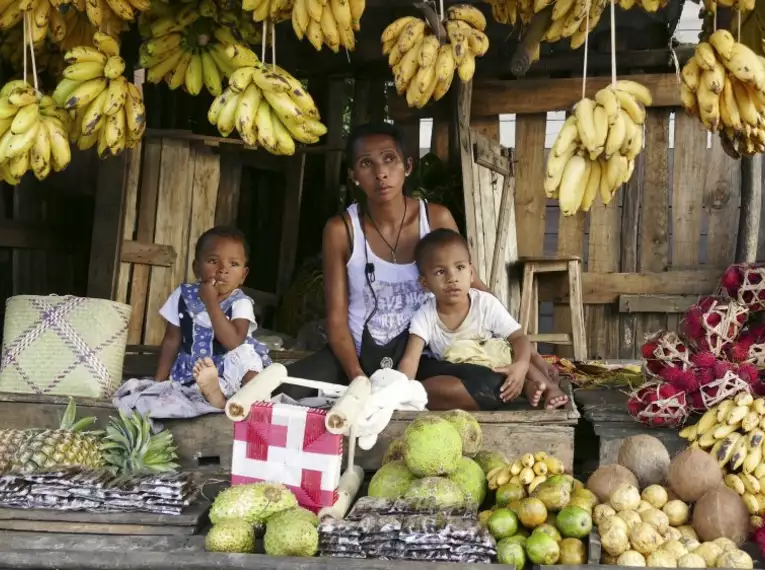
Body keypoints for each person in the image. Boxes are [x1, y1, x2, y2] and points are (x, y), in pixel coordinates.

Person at [286, 121, 566, 410]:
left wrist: (530, 358)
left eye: (389, 159)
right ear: (353, 175)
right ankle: (390, 395)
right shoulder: (341, 229)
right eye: (366, 163)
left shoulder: (435, 219)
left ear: (407, 166)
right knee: (279, 390)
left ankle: (400, 395)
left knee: (489, 386)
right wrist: (357, 376)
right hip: (357, 354)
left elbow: (476, 288)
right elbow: (335, 318)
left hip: (422, 358)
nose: (380, 173)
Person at [397, 228, 567, 410]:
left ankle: (549, 389)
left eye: (460, 268)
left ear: (471, 273)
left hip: (494, 361)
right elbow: (411, 359)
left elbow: (518, 337)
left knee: (510, 353)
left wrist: (521, 365)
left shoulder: (485, 304)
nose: (452, 278)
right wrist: (400, 392)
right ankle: (525, 388)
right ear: (425, 283)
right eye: (440, 272)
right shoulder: (425, 315)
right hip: (465, 372)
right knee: (435, 384)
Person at [154, 226, 272, 409]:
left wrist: (210, 302)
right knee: (194, 389)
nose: (223, 270)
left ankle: (236, 401)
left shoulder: (241, 302)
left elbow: (233, 342)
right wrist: (158, 382)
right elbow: (171, 340)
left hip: (230, 368)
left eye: (233, 264)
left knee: (250, 366)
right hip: (195, 371)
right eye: (213, 261)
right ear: (197, 268)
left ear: (243, 275)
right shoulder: (182, 295)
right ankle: (217, 398)